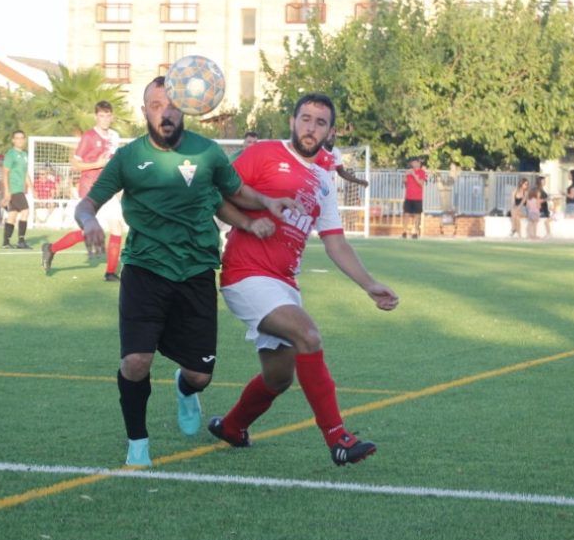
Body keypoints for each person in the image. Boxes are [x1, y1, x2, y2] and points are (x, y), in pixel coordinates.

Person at [75, 76, 296, 467]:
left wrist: (265, 204)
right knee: (136, 361)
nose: (165, 113)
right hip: (145, 269)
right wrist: (88, 221)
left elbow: (234, 192)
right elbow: (87, 203)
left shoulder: (208, 153)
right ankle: (138, 444)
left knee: (199, 376)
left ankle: (184, 387)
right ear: (145, 112)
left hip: (196, 272)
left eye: (172, 105)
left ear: (187, 108)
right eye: (156, 105)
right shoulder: (128, 158)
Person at [207, 92, 399, 466]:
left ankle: (232, 427)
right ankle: (338, 439)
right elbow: (217, 192)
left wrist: (369, 284)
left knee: (279, 378)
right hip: (245, 275)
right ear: (293, 121)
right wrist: (247, 221)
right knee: (308, 335)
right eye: (305, 118)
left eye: (320, 122)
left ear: (330, 132)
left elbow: (336, 243)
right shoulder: (263, 153)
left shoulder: (323, 180)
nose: (311, 128)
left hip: (283, 282)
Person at [43, 101, 126, 280]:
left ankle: (110, 272)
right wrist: (97, 164)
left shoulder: (114, 136)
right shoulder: (89, 137)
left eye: (108, 115)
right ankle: (51, 249)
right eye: (101, 115)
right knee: (91, 232)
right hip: (89, 190)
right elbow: (75, 163)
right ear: (96, 117)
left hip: (107, 189)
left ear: (112, 116)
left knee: (117, 227)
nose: (104, 119)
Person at [1, 130, 33, 249]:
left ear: (24, 140)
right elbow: (5, 172)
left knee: (13, 215)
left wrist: (32, 188)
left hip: (20, 188)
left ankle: (6, 242)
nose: (19, 140)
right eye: (17, 138)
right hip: (14, 188)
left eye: (21, 138)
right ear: (13, 140)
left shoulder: (24, 155)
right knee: (25, 211)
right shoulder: (11, 154)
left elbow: (25, 173)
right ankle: (21, 241)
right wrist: (7, 191)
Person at [401, 158, 427, 239]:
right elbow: (404, 182)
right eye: (413, 162)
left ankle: (415, 232)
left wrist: (414, 175)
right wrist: (405, 175)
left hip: (418, 197)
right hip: (408, 196)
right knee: (406, 214)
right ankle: (404, 231)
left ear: (419, 163)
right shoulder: (408, 172)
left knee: (417, 215)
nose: (414, 163)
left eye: (415, 162)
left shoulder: (422, 172)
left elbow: (421, 183)